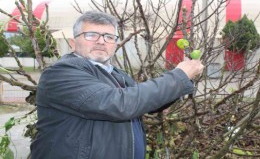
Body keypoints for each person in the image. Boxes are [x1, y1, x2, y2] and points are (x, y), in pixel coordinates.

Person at [30, 11, 204, 159]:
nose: (101, 41)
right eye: (91, 35)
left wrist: (183, 80)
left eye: (108, 37)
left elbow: (145, 104)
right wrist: (178, 77)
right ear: (73, 43)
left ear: (115, 44)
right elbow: (119, 104)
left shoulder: (115, 73)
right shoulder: (60, 73)